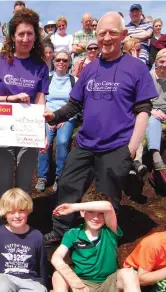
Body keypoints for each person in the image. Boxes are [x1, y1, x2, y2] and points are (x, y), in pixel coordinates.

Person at [43, 11, 157, 245]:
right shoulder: (90, 69)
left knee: (107, 197)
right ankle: (62, 231)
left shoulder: (136, 68)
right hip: (85, 143)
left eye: (113, 33)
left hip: (116, 146)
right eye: (102, 32)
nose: (106, 38)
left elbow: (143, 109)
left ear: (123, 35)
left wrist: (131, 148)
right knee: (66, 184)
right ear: (95, 34)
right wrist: (53, 116)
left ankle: (103, 242)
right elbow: (75, 104)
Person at [0, 8, 49, 196]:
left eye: (30, 33)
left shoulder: (40, 66)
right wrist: (8, 98)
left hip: (27, 131)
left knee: (24, 182)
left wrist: (41, 133)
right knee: (2, 180)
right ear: (13, 36)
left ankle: (22, 221)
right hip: (2, 130)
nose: (26, 38)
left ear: (36, 36)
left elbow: (40, 100)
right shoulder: (2, 62)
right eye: (21, 34)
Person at [51, 192, 141, 292]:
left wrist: (73, 207)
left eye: (101, 213)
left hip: (108, 283)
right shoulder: (73, 234)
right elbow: (56, 258)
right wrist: (73, 280)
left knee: (129, 273)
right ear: (82, 212)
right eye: (91, 212)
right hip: (82, 285)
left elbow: (108, 206)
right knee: (58, 275)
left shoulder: (110, 231)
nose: (96, 217)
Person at [35, 50, 77, 193]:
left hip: (67, 117)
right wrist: (47, 118)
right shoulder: (47, 79)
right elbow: (42, 100)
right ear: (53, 62)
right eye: (58, 59)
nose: (61, 62)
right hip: (47, 116)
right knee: (43, 142)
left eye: (65, 60)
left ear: (69, 63)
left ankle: (60, 176)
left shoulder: (74, 80)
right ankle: (43, 176)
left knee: (63, 141)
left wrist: (63, 117)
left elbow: (76, 103)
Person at [0, 188, 48, 292]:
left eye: (21, 211)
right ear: (5, 213)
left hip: (29, 281)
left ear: (28, 210)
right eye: (11, 212)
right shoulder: (1, 234)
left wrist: (43, 284)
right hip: (5, 278)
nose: (17, 216)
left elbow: (42, 263)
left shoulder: (36, 235)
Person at [123, 38, 147, 176]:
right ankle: (132, 163)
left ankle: (135, 163)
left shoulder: (138, 63)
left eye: (139, 50)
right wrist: (135, 60)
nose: (138, 52)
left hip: (136, 105)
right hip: (124, 105)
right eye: (135, 50)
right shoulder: (122, 63)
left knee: (138, 132)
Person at [146, 48, 166, 170]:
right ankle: (156, 156)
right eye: (161, 61)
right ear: (156, 62)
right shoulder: (148, 77)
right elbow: (139, 100)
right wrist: (152, 111)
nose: (164, 65)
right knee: (153, 122)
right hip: (151, 111)